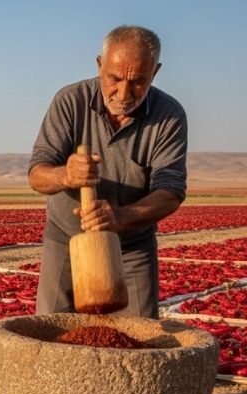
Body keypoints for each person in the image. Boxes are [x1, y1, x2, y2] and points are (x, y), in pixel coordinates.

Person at [28, 25, 187, 318]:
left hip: (131, 244)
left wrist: (120, 217)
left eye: (138, 81)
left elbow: (171, 192)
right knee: (50, 330)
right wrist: (65, 175)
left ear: (156, 72)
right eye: (113, 79)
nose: (124, 94)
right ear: (100, 65)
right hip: (67, 238)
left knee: (140, 339)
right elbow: (37, 173)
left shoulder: (169, 116)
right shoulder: (70, 101)